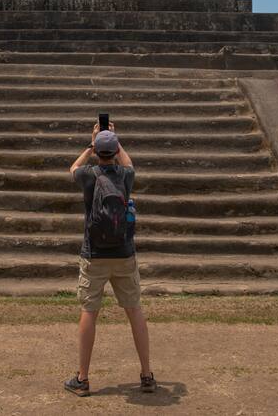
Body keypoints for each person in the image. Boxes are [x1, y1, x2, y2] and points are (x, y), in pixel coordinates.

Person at [63, 122, 155, 397]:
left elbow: (73, 168)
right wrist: (116, 141)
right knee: (134, 310)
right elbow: (130, 164)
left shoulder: (89, 175)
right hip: (124, 252)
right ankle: (146, 374)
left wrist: (91, 145)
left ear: (98, 152)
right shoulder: (126, 175)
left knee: (89, 311)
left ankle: (83, 378)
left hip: (94, 253)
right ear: (115, 151)